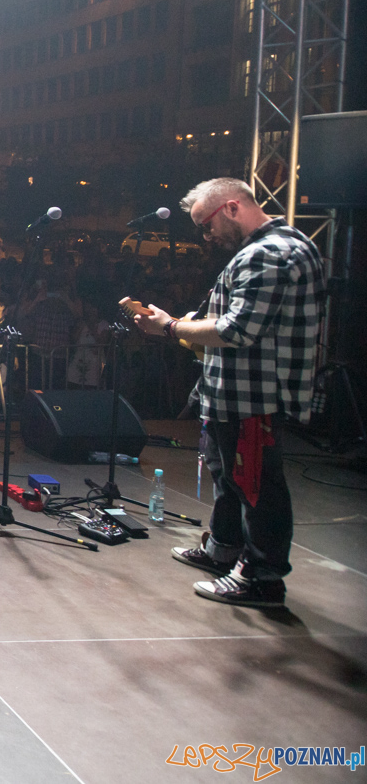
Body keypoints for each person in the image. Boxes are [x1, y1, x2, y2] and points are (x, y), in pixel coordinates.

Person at [128, 177, 322, 610]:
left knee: (256, 487)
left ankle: (263, 578)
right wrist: (174, 321)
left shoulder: (270, 254)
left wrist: (172, 327)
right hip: (232, 393)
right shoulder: (262, 250)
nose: (206, 235)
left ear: (232, 208)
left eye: (206, 224)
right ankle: (224, 550)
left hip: (255, 398)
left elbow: (237, 330)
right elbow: (226, 317)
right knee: (228, 475)